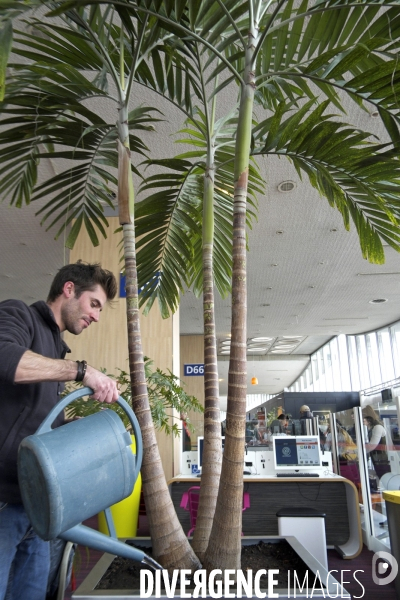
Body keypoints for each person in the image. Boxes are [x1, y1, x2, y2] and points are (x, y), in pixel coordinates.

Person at [0, 261, 119, 600]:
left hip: (36, 505)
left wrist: (72, 430)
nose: (96, 316)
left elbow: (35, 422)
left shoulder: (56, 347)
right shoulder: (19, 316)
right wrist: (81, 371)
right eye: (93, 304)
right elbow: (7, 360)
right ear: (69, 290)